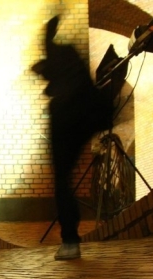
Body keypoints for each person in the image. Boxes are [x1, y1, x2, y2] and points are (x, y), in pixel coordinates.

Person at [32, 16, 112, 260]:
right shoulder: (71, 61)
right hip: (88, 116)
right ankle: (69, 237)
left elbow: (47, 36)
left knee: (62, 181)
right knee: (63, 180)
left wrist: (53, 20)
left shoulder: (58, 64)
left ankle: (70, 239)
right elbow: (48, 35)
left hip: (67, 119)